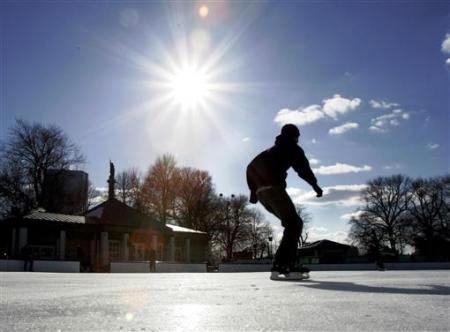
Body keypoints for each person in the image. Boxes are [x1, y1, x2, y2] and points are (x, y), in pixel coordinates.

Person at [246, 124, 323, 280]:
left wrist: (253, 192)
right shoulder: (293, 148)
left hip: (262, 193)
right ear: (295, 136)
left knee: (291, 223)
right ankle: (284, 265)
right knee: (294, 223)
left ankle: (284, 264)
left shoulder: (268, 151)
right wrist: (315, 185)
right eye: (297, 136)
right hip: (273, 189)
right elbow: (303, 169)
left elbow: (250, 167)